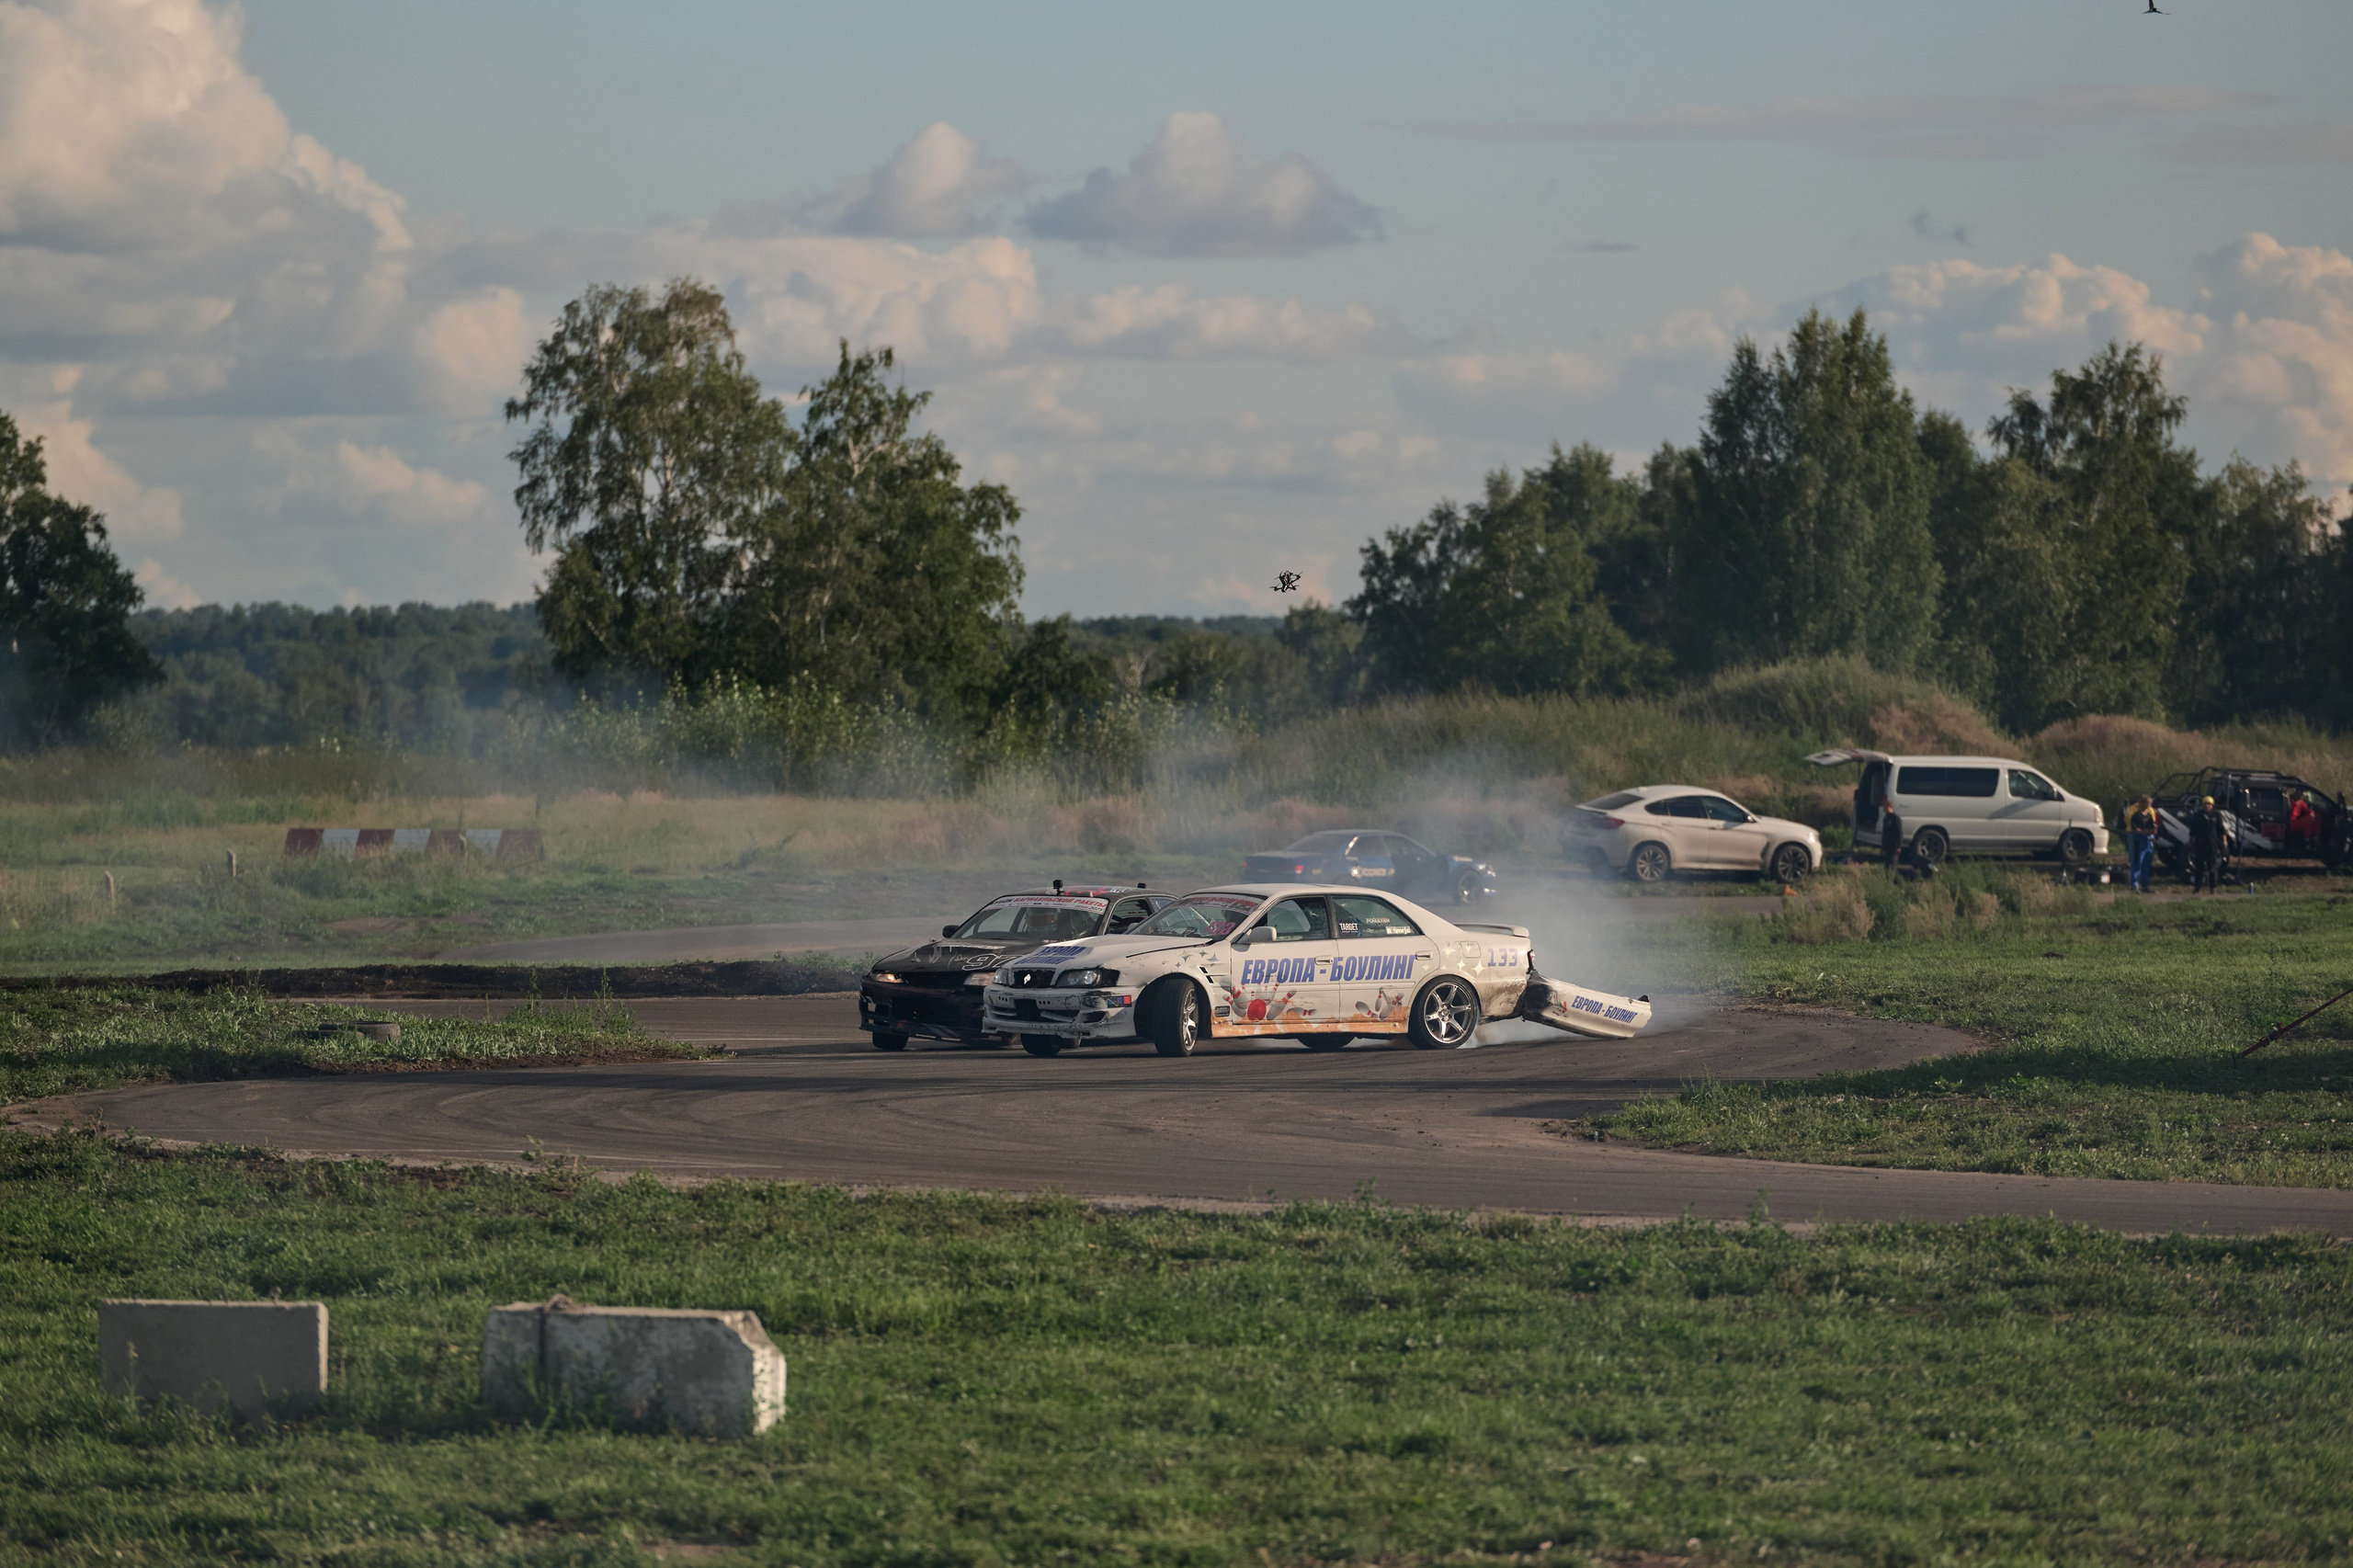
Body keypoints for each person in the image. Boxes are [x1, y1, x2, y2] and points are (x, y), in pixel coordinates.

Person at [2188, 794, 2225, 892]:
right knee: (2199, 867)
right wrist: (2191, 843)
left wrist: (2224, 843)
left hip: (2212, 844)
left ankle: (2213, 887)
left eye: (2209, 804)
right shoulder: (2197, 815)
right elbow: (2192, 831)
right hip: (2200, 844)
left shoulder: (2216, 815)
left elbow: (2221, 830)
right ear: (2202, 805)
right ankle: (2197, 888)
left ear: (2212, 805)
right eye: (2205, 804)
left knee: (2212, 867)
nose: (2207, 806)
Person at [2124, 794, 2160, 892]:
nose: (2149, 805)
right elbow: (2136, 830)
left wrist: (2153, 831)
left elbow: (2153, 827)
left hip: (2149, 842)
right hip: (2139, 841)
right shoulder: (2135, 815)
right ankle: (2134, 885)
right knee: (2137, 863)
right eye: (2148, 803)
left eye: (2150, 803)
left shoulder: (2149, 814)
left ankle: (2145, 886)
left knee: (2147, 864)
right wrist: (2147, 832)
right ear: (2143, 803)